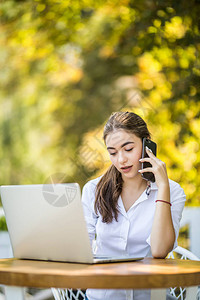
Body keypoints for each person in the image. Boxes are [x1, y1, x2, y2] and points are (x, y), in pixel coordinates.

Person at [81, 111, 186, 300]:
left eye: (128, 149)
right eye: (112, 153)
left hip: (149, 296)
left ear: (147, 144)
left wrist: (162, 187)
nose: (120, 160)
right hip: (103, 296)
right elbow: (80, 249)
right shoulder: (93, 190)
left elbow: (160, 250)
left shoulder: (173, 191)